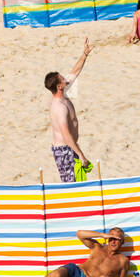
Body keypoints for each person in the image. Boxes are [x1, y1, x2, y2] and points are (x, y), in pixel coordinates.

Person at [14, 226, 130, 277]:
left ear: (123, 242)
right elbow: (80, 233)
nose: (113, 242)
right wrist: (101, 235)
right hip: (76, 270)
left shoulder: (123, 261)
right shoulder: (97, 247)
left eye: (117, 239)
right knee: (56, 275)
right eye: (111, 238)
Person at [45, 39, 93, 182]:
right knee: (71, 187)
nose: (66, 78)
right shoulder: (59, 107)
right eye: (62, 78)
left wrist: (84, 54)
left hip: (70, 148)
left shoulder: (63, 92)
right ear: (59, 86)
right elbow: (66, 135)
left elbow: (75, 72)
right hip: (64, 151)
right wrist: (81, 154)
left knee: (78, 182)